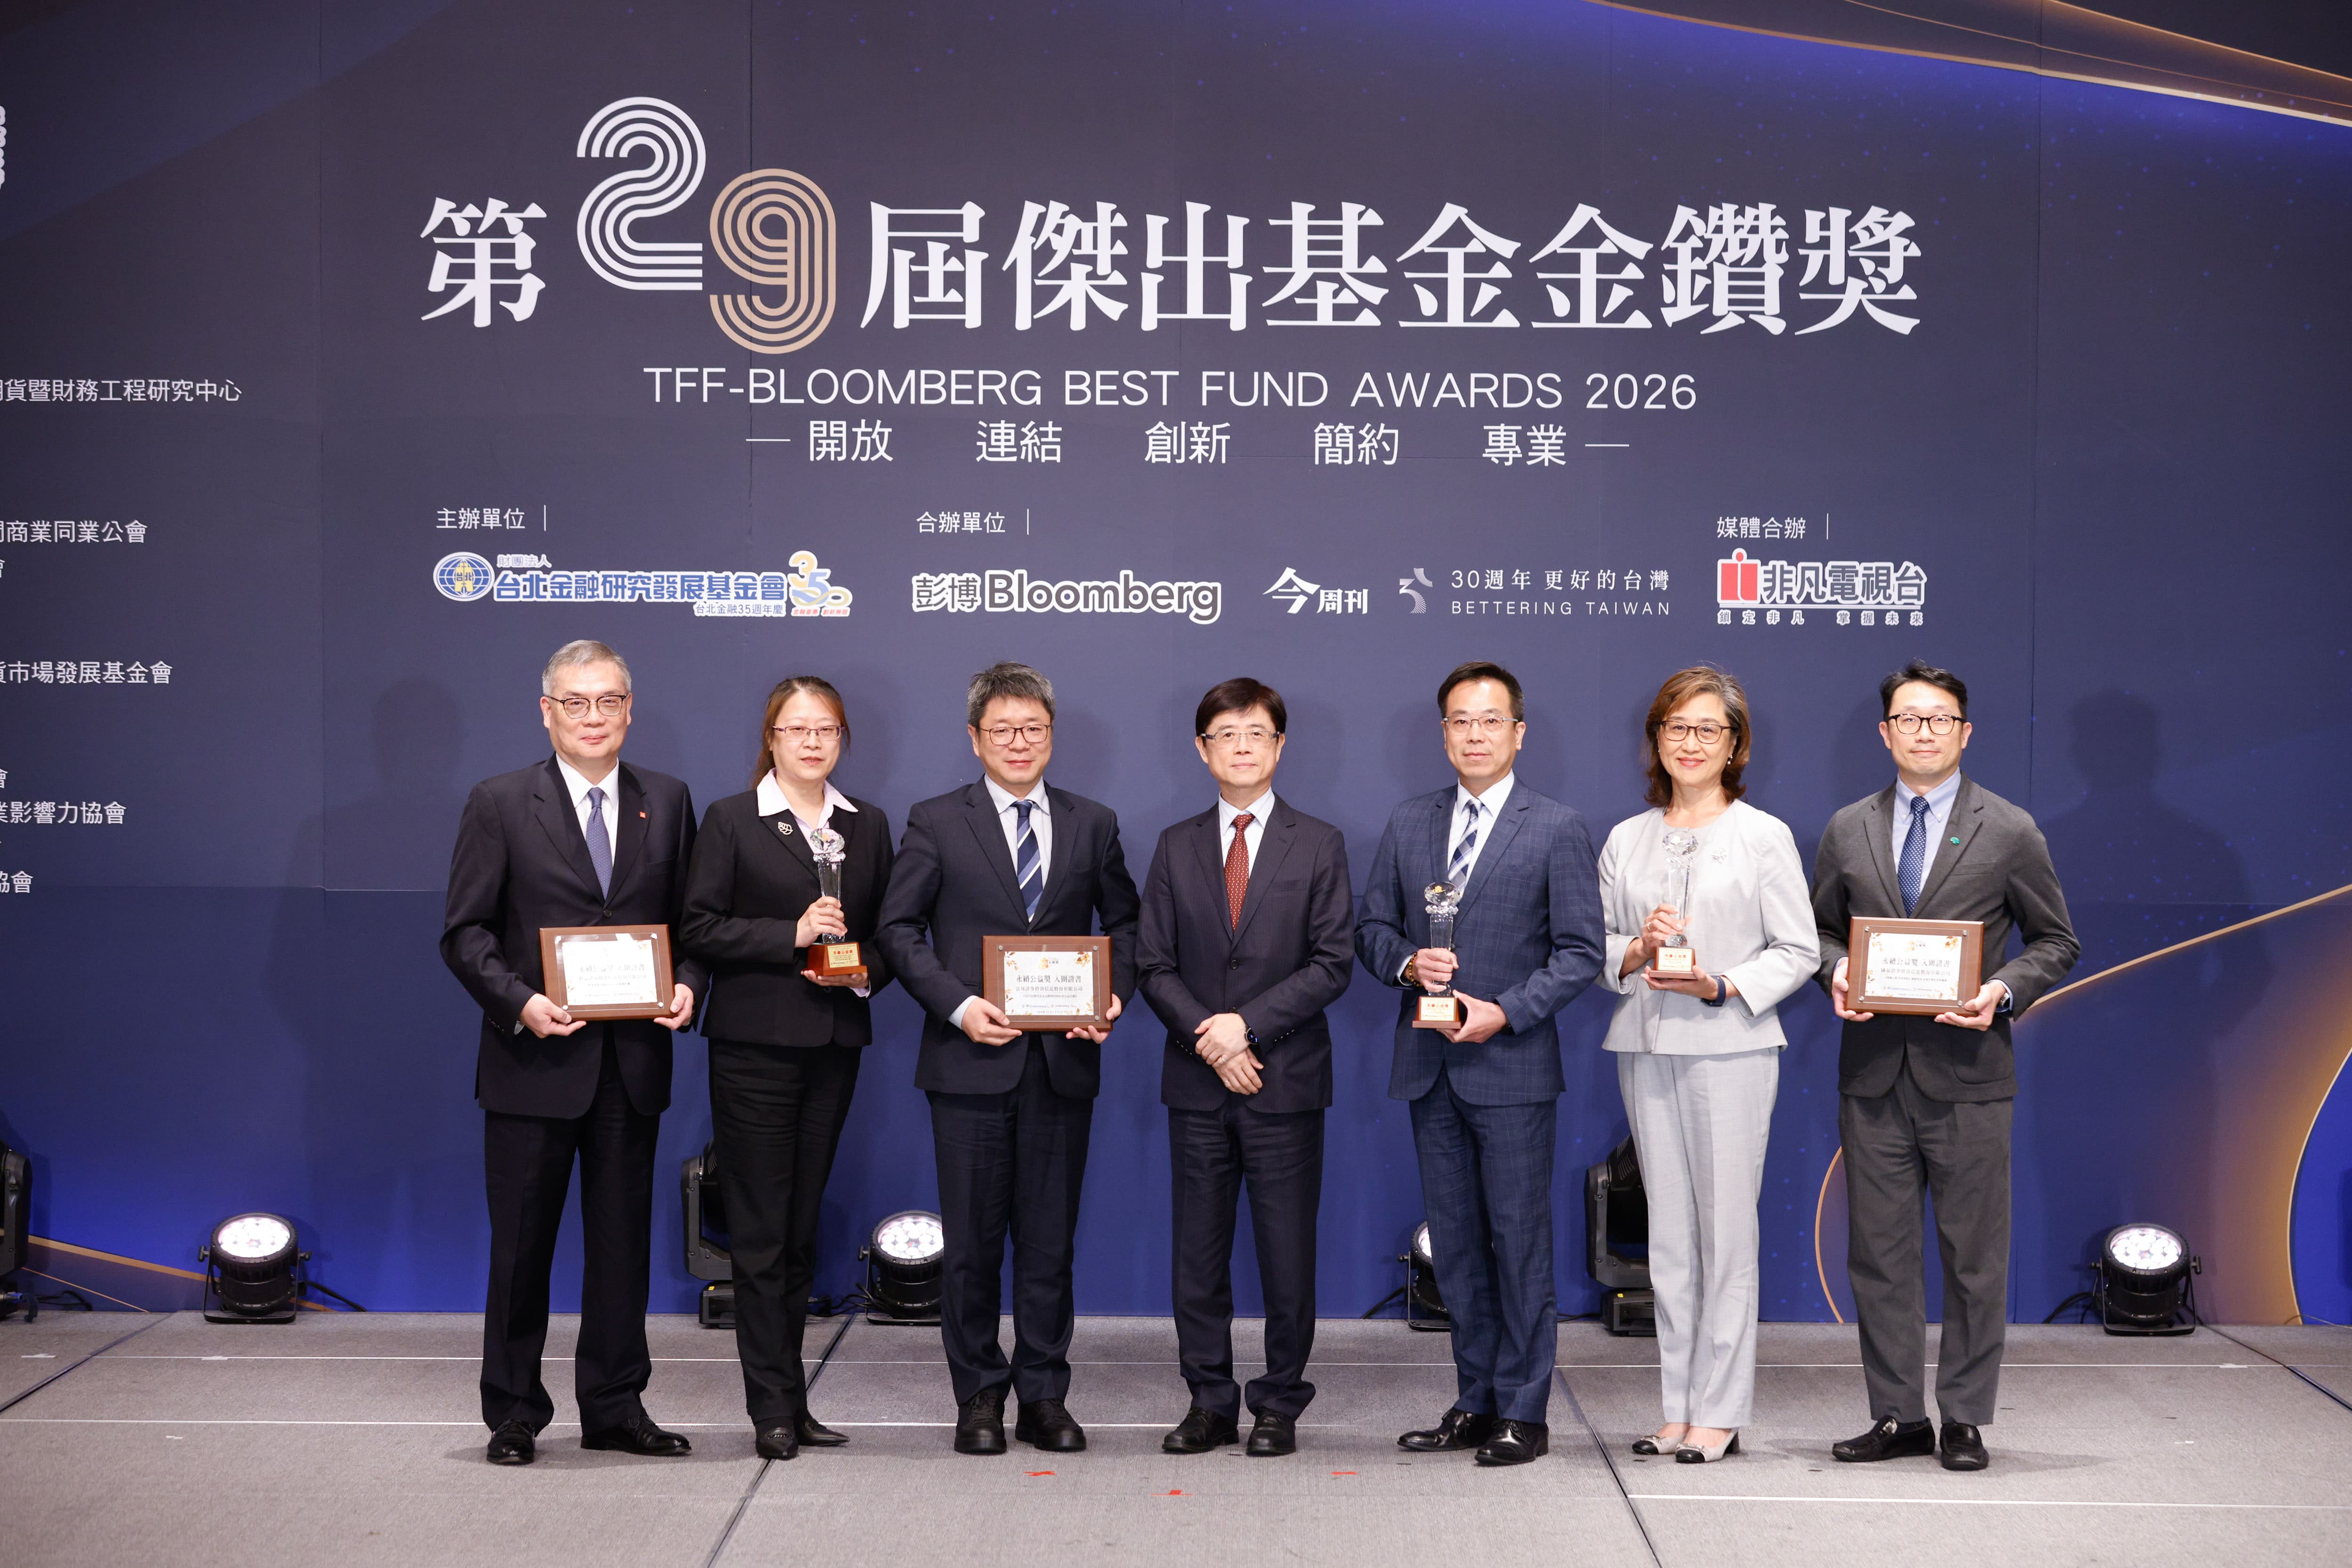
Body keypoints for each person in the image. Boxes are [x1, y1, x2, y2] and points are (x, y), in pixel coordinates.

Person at [441, 639, 705, 1467]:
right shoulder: (499, 801)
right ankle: (514, 1411)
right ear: (547, 711)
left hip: (632, 1063)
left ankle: (616, 1405)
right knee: (522, 1248)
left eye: (609, 701)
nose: (594, 717)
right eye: (577, 702)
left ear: (630, 709)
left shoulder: (668, 799)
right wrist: (520, 1000)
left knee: (622, 1247)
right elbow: (465, 932)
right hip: (532, 1064)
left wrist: (689, 982)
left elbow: (693, 922)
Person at [1814, 660, 2078, 1473]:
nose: (1922, 731)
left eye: (1939, 719)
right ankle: (1898, 1414)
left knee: (1973, 1257)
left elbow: (2056, 940)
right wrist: (1836, 969)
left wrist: (2002, 989)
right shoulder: (1847, 827)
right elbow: (1818, 930)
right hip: (1873, 1076)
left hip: (1970, 1074)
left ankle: (1964, 1415)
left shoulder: (2010, 828)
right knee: (1878, 1255)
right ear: (1885, 731)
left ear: (1964, 732)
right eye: (1908, 718)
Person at [875, 661, 1141, 1457]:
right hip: (968, 1060)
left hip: (1063, 1062)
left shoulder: (1093, 821)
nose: (1019, 742)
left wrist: (1112, 996)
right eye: (1002, 730)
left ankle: (1045, 1395)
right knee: (972, 1244)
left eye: (1033, 728)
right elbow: (898, 930)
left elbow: (1127, 925)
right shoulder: (935, 820)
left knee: (1050, 1243)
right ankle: (979, 1396)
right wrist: (959, 1005)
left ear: (1052, 734)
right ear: (974, 737)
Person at [1355, 660, 1605, 1466]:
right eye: (1460, 720)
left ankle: (1525, 1412)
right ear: (1444, 734)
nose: (1475, 734)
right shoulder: (1410, 822)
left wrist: (1508, 1010)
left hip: (1513, 1065)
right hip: (1429, 1064)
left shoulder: (1557, 826)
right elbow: (1371, 929)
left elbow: (1580, 952)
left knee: (1518, 1241)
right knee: (1457, 1246)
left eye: (1491, 720)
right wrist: (1407, 964)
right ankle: (1476, 1398)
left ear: (1518, 732)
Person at [1595, 667, 1818, 1465]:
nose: (1690, 742)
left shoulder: (1763, 835)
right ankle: (1678, 1406)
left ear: (1735, 745)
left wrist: (1721, 983)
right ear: (1656, 738)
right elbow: (1598, 950)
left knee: (1725, 1235)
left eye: (1708, 729)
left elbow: (1798, 949)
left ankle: (1720, 1410)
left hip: (1731, 1048)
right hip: (1646, 1045)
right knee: (1668, 1238)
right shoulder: (1626, 838)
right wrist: (1638, 947)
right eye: (1677, 727)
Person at [1136, 678, 1354, 1459]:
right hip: (1199, 1081)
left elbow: (1333, 961)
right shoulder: (1175, 844)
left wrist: (1247, 1027)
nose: (1241, 746)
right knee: (1197, 1254)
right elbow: (1152, 962)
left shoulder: (1319, 842)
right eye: (1224, 734)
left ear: (1279, 746)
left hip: (1285, 1081)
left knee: (1286, 1253)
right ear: (1203, 750)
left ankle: (1279, 1402)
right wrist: (1213, 1038)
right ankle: (1208, 1400)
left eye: (1256, 733)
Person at [678, 677, 895, 1462]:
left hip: (833, 1045)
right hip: (754, 1048)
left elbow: (891, 934)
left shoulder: (866, 824)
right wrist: (789, 934)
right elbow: (698, 926)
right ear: (771, 737)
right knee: (762, 1231)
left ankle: (795, 1400)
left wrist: (862, 972)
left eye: (826, 729)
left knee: (800, 1228)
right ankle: (769, 1405)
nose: (811, 741)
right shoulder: (732, 818)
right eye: (796, 728)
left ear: (842, 739)